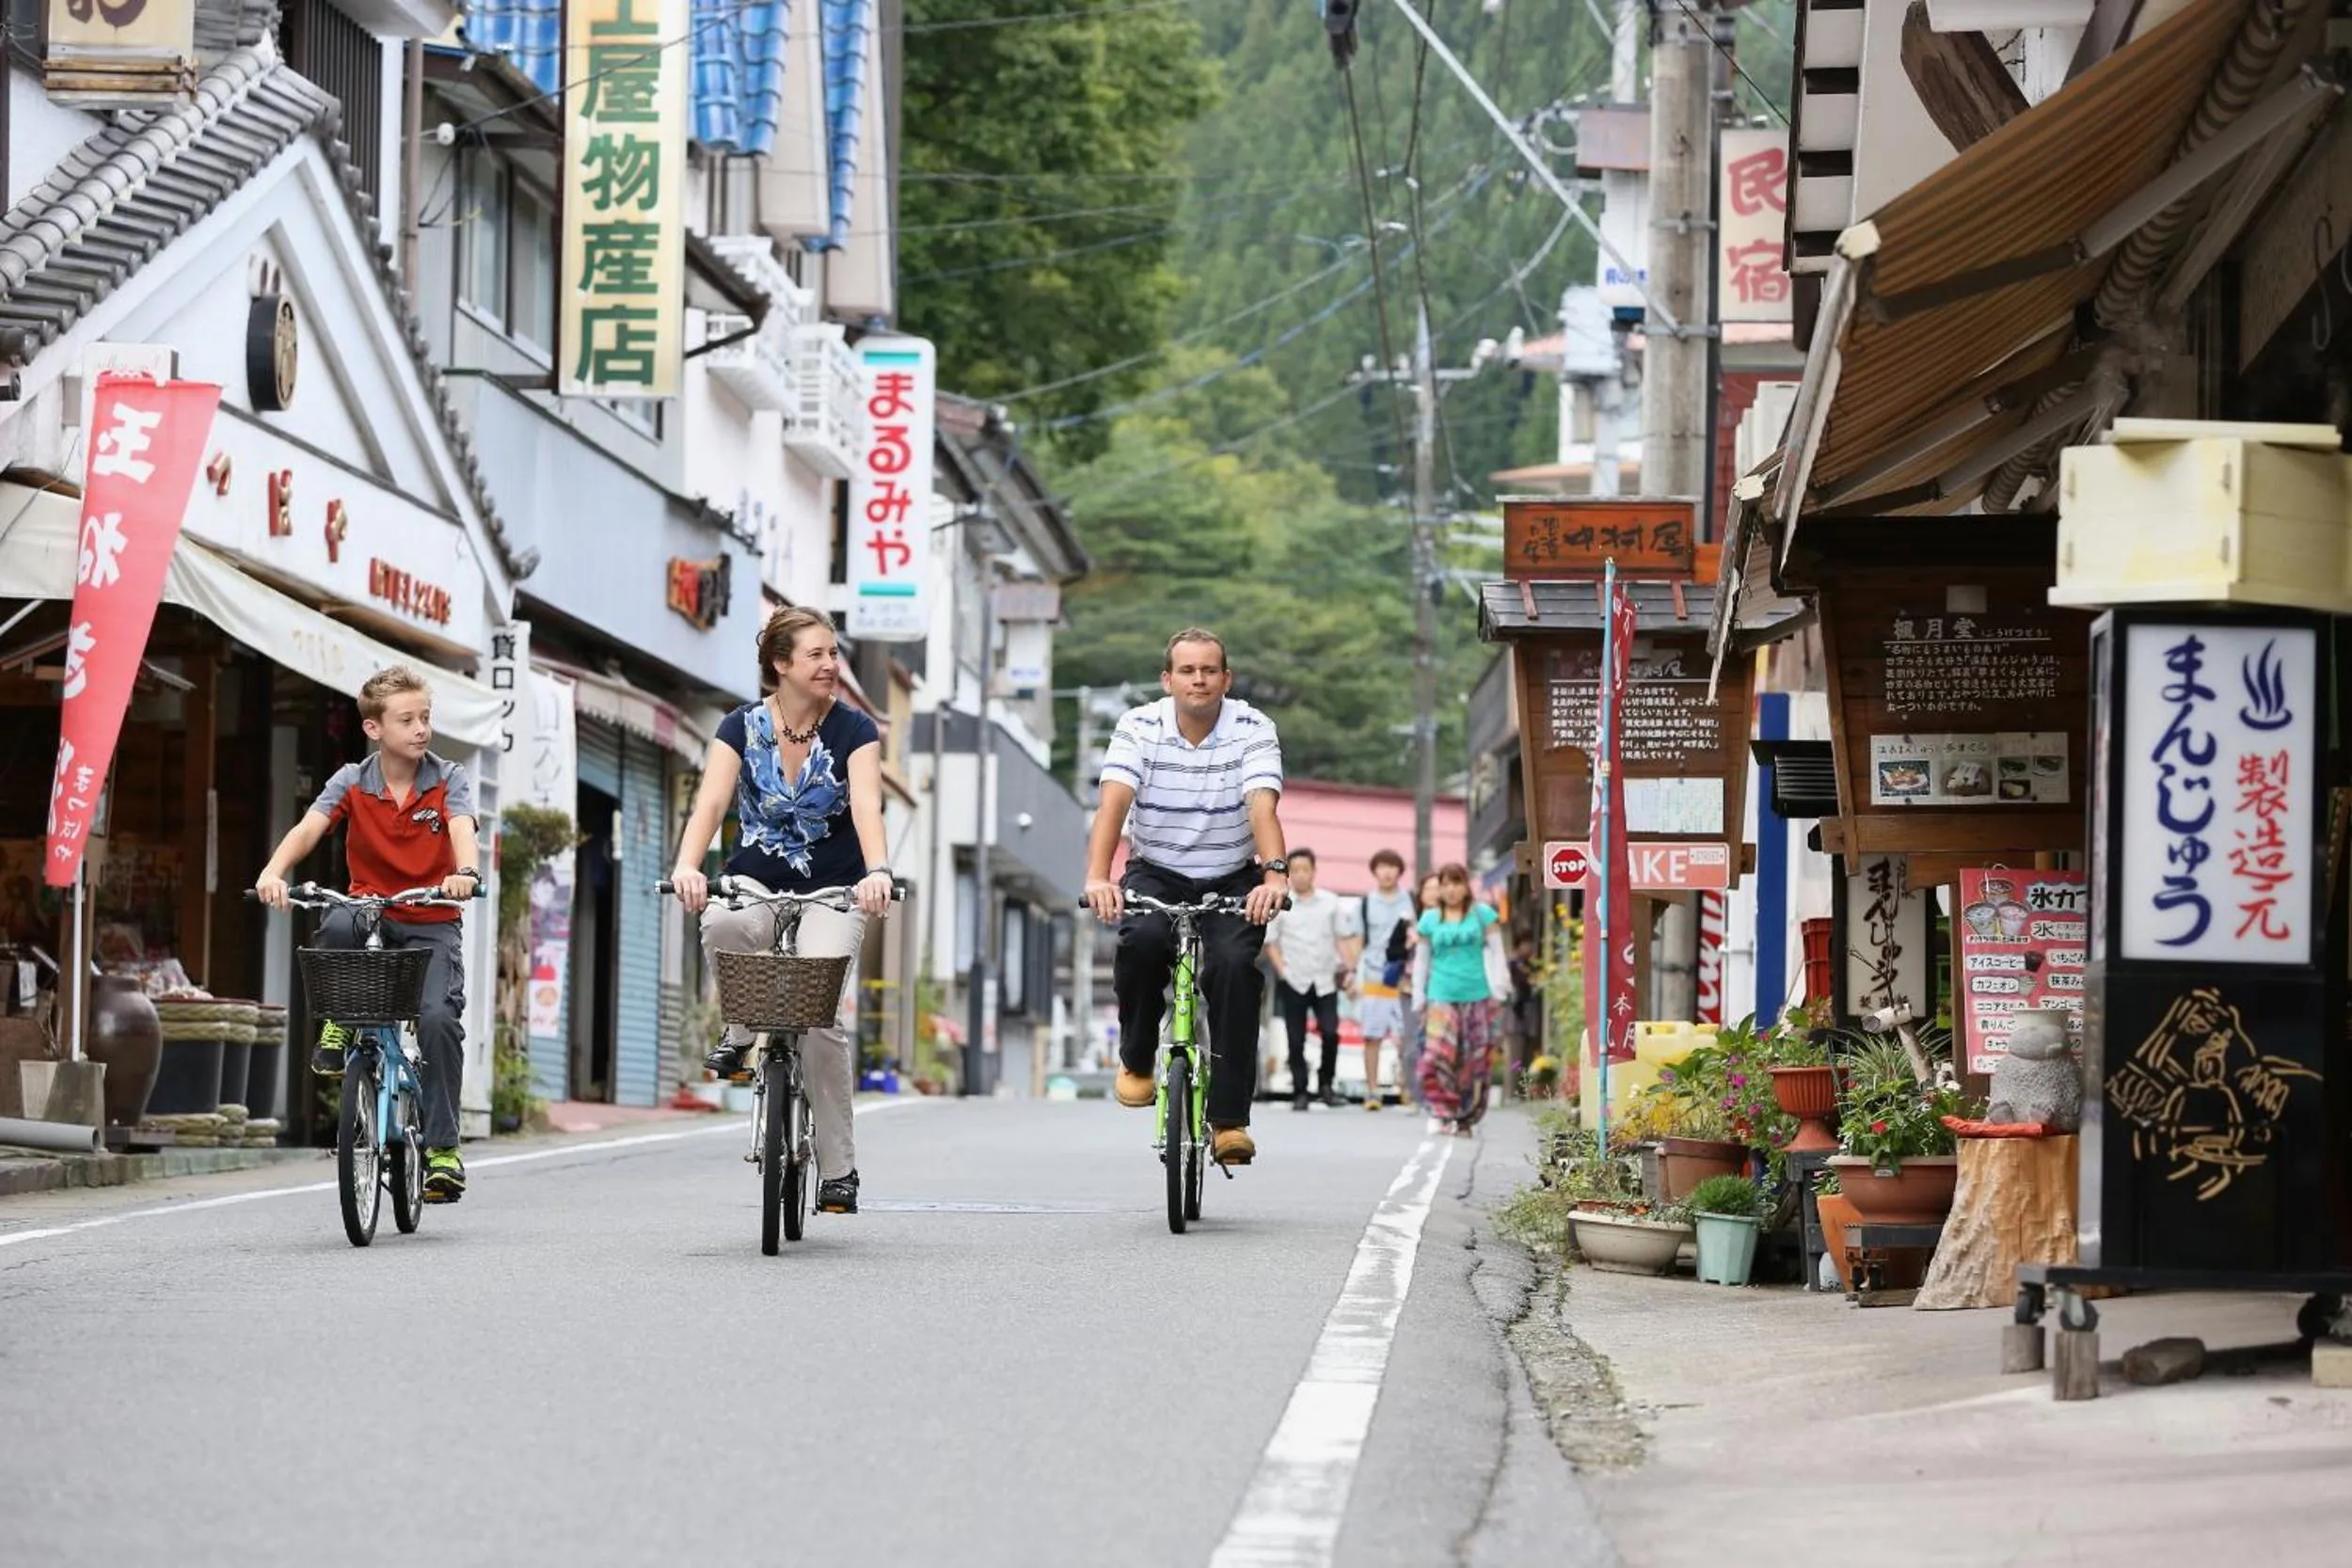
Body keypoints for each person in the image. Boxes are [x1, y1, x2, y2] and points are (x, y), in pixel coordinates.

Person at [668, 607, 897, 1216]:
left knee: (819, 1010)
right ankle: (741, 1029)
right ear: (781, 664)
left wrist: (877, 871)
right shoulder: (739, 726)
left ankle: (839, 1170)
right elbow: (711, 802)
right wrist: (689, 865)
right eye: (817, 654)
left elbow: (868, 807)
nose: (831, 664)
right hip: (755, 881)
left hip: (835, 888)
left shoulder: (855, 729)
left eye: (833, 653)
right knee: (719, 921)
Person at [255, 666, 481, 1202]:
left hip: (431, 920)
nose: (421, 729)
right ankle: (340, 1020)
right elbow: (311, 826)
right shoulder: (352, 780)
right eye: (407, 720)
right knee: (334, 922)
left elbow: (462, 830)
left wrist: (465, 875)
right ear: (374, 729)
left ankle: (443, 1152)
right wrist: (273, 872)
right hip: (371, 910)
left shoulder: (449, 778)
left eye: (425, 717)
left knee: (439, 1021)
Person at [1083, 627, 1288, 1167]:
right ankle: (1136, 1060)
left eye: (1210, 670)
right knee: (1141, 941)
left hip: (1233, 875)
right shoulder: (1139, 726)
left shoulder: (1252, 728)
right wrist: (1099, 877)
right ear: (1167, 679)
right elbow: (1114, 805)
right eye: (1188, 671)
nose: (1199, 679)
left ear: (1226, 678)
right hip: (1158, 869)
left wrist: (1275, 877)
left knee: (1234, 970)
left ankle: (1229, 1121)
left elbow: (1262, 807)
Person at [1264, 848, 1360, 1111]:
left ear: (1313, 871)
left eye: (1304, 869)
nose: (1299, 875)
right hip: (1294, 978)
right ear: (1288, 874)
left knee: (1331, 1032)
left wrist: (1350, 969)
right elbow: (1270, 942)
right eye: (1294, 870)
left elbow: (1342, 937)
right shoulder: (1281, 903)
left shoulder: (1330, 902)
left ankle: (1326, 1085)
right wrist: (1282, 970)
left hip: (1325, 978)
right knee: (1295, 1038)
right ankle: (1300, 1090)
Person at [1416, 863, 1503, 1135]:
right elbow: (1422, 960)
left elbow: (1498, 954)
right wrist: (1418, 997)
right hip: (1440, 995)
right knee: (1437, 1056)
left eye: (1457, 883)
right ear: (1439, 888)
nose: (1451, 890)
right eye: (1446, 884)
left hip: (1476, 995)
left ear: (1466, 886)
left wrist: (1500, 990)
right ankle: (1443, 1111)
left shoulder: (1483, 915)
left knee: (1473, 1061)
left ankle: (1465, 1118)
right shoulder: (1430, 919)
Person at [1352, 848, 1417, 1112]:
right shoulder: (1365, 903)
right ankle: (1372, 1089)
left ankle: (1406, 1086)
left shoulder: (1409, 901)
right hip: (1374, 976)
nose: (1387, 872)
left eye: (1392, 867)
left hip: (1403, 978)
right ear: (1375, 870)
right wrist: (1352, 973)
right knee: (1372, 1036)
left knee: (1405, 1036)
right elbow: (1358, 941)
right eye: (1382, 866)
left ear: (1400, 871)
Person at [1398, 870, 1440, 1108]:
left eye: (1438, 888)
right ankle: (1417, 1095)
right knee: (1413, 1045)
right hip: (1410, 988)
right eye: (1429, 888)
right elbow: (1391, 954)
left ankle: (1437, 1096)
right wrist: (1406, 944)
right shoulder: (1408, 921)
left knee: (1437, 1045)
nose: (1434, 893)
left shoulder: (1450, 919)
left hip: (1442, 988)